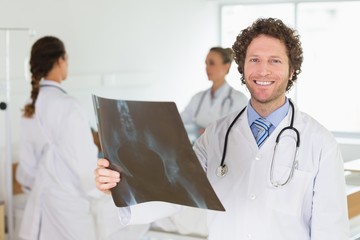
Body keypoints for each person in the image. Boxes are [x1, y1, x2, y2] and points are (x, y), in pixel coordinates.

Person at [94, 18, 349, 240]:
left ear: (292, 69)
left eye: (275, 61)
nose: (263, 70)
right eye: (254, 60)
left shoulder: (320, 143)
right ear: (242, 66)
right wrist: (118, 188)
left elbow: (331, 231)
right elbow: (174, 192)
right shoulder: (216, 137)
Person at [16, 36, 139, 240]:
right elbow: (83, 162)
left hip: (40, 201)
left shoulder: (30, 105)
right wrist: (99, 192)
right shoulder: (68, 105)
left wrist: (37, 186)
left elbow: (27, 167)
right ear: (60, 61)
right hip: (68, 205)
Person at [180, 47, 248, 142]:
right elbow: (179, 122)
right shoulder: (198, 98)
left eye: (212, 63)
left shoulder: (239, 99)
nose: (207, 68)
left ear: (226, 66)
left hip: (225, 154)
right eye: (206, 63)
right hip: (198, 151)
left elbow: (240, 133)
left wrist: (211, 133)